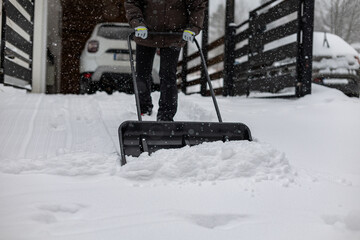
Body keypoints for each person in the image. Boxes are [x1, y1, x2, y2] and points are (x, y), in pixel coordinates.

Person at [124, 0, 208, 121]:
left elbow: (198, 6)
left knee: (168, 74)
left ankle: (166, 115)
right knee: (142, 72)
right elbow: (132, 2)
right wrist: (138, 24)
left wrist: (192, 27)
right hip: (146, 33)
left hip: (173, 36)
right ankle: (143, 108)